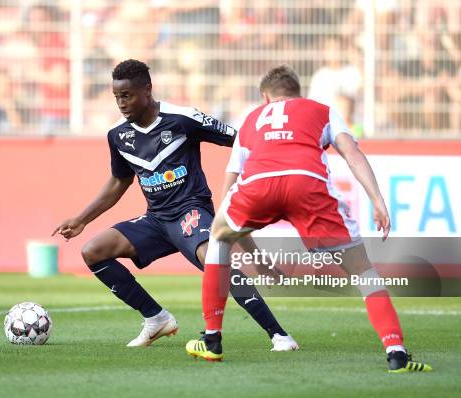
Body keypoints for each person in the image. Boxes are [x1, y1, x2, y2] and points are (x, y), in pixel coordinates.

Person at [186, 65, 432, 373]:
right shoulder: (322, 110)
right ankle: (396, 351)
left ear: (265, 97)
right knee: (363, 272)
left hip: (259, 184)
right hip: (308, 184)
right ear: (297, 92)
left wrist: (231, 226)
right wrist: (377, 200)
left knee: (218, 238)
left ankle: (212, 340)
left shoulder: (251, 119)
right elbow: (351, 153)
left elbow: (232, 177)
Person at [52, 59, 297, 350]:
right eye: (117, 96)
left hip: (191, 213)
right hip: (156, 220)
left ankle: (279, 335)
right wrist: (82, 219)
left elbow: (241, 140)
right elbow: (119, 182)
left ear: (147, 90)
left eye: (127, 95)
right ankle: (156, 318)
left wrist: (279, 160)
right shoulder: (118, 135)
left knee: (215, 261)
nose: (121, 102)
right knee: (93, 251)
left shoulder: (183, 118)